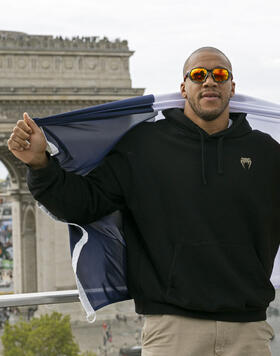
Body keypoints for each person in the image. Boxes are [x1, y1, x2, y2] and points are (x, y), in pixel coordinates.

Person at [7, 47, 280, 356]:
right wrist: (41, 165)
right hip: (171, 330)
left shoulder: (267, 153)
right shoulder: (144, 146)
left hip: (249, 331)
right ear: (183, 87)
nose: (209, 82)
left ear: (232, 86)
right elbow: (82, 203)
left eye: (220, 75)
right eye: (198, 75)